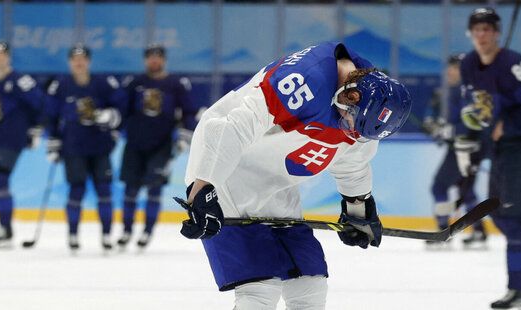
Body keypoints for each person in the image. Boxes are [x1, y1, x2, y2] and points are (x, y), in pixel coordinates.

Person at [175, 42, 412, 309]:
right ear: (351, 95)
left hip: (275, 180)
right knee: (259, 290)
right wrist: (203, 188)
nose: (353, 134)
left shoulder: (367, 106)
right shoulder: (303, 80)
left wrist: (358, 209)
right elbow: (232, 128)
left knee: (309, 284)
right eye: (352, 125)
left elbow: (353, 162)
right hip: (228, 170)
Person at [458, 8, 521, 309]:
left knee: (513, 217)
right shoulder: (468, 64)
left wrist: (509, 124)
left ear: (497, 33)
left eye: (488, 29)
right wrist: (473, 137)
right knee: (500, 214)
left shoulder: (514, 64)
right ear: (470, 33)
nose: (482, 34)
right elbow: (477, 106)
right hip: (501, 148)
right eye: (477, 29)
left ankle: (519, 289)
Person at [44, 44, 127, 251]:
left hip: (100, 146)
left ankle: (106, 235)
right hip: (73, 147)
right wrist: (53, 144)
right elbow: (51, 116)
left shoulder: (103, 83)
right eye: (75, 59)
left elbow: (122, 106)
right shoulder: (61, 85)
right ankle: (72, 234)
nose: (79, 63)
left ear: (88, 61)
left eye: (82, 59)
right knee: (76, 190)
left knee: (104, 190)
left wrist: (112, 118)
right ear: (70, 62)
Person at [117, 44, 198, 249]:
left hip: (162, 146)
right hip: (134, 144)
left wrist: (184, 135)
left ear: (164, 60)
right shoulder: (135, 83)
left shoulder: (176, 84)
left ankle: (147, 232)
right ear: (145, 60)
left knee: (154, 188)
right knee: (130, 189)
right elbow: (121, 110)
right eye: (150, 57)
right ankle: (127, 230)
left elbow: (188, 112)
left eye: (158, 57)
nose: (154, 60)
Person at [0, 40, 44, 246]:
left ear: (8, 57)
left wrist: (36, 129)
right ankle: (4, 227)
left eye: (2, 54)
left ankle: (5, 229)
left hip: (13, 136)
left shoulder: (20, 80)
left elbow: (40, 103)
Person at [423, 54, 488, 250]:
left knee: (439, 187)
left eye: (455, 67)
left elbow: (475, 124)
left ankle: (444, 231)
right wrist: (435, 127)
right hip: (465, 149)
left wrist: (447, 130)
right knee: (465, 190)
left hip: (466, 149)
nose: (449, 71)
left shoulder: (469, 94)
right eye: (449, 66)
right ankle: (479, 231)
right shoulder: (451, 93)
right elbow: (441, 121)